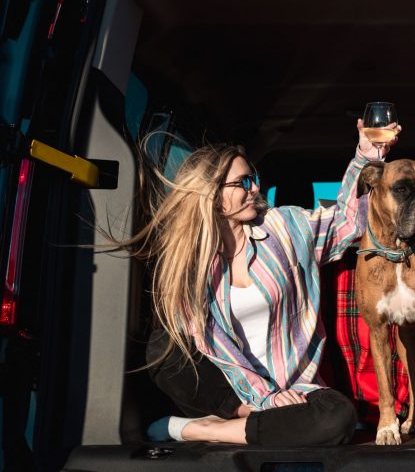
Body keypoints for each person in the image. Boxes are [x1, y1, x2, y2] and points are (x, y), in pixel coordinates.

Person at [117, 120, 397, 446]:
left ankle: (203, 429)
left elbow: (346, 223)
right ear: (212, 194)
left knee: (339, 417)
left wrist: (365, 156)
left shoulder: (285, 227)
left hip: (293, 390)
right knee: (163, 348)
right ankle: (244, 418)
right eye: (243, 182)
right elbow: (208, 348)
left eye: (254, 180)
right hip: (230, 391)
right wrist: (260, 400)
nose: (254, 189)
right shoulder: (188, 264)